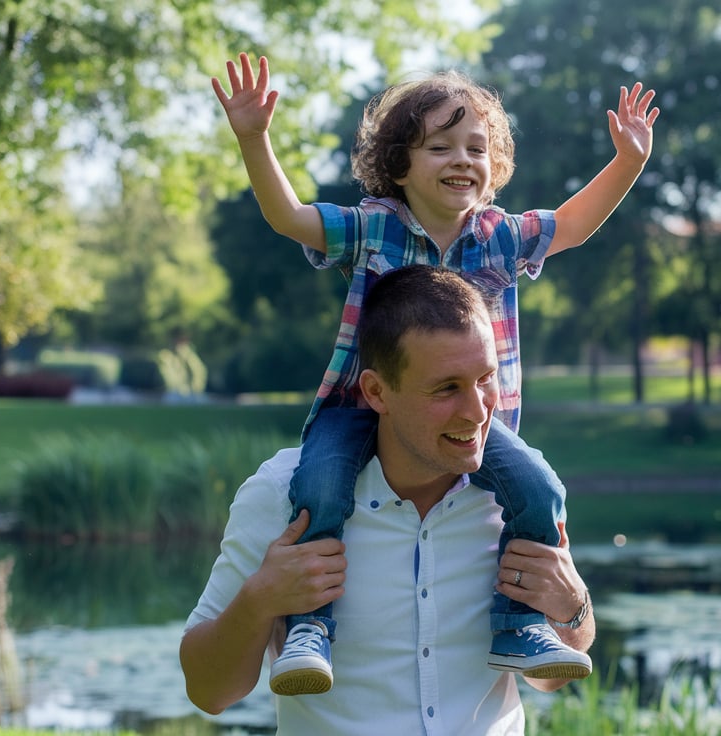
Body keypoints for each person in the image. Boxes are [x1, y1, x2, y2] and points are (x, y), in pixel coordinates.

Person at [210, 52, 657, 695]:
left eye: (477, 147)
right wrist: (254, 138)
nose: (462, 160)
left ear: (495, 165)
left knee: (539, 488)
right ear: (399, 165)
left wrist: (628, 162)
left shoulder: (499, 238)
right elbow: (289, 217)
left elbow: (578, 224)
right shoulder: (372, 228)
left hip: (469, 421)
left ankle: (519, 624)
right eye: (440, 146)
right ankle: (310, 628)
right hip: (357, 406)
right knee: (320, 483)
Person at [181, 265, 597, 734]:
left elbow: (550, 681)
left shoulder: (521, 497)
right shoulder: (283, 495)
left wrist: (573, 608)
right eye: (447, 388)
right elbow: (208, 692)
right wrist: (258, 601)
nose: (479, 410)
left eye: (485, 378)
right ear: (377, 391)